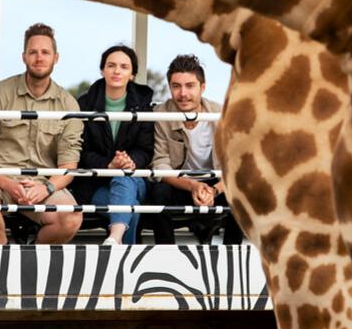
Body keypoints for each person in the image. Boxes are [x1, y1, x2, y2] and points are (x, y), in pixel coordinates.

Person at [0, 23, 83, 244]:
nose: (39, 58)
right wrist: (7, 183)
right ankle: (2, 253)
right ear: (23, 56)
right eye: (33, 52)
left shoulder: (68, 104)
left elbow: (69, 166)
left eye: (45, 52)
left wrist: (45, 187)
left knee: (72, 217)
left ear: (56, 57)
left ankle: (30, 260)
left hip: (42, 184)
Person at [147, 54, 243, 244]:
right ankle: (165, 257)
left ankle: (231, 258)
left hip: (216, 183)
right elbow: (160, 164)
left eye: (190, 86)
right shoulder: (161, 114)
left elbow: (236, 165)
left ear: (203, 87)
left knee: (240, 195)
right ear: (170, 87)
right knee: (158, 193)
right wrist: (193, 185)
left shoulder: (221, 114)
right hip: (181, 182)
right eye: (176, 86)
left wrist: (214, 190)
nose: (183, 94)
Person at [73, 45, 155, 245]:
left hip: (134, 179)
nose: (117, 71)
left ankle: (115, 239)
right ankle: (120, 248)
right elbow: (81, 151)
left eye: (124, 67)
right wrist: (108, 165)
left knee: (124, 178)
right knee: (130, 208)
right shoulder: (84, 105)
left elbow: (145, 149)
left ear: (132, 74)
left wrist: (128, 162)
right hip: (96, 184)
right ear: (102, 70)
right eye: (111, 65)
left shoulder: (144, 105)